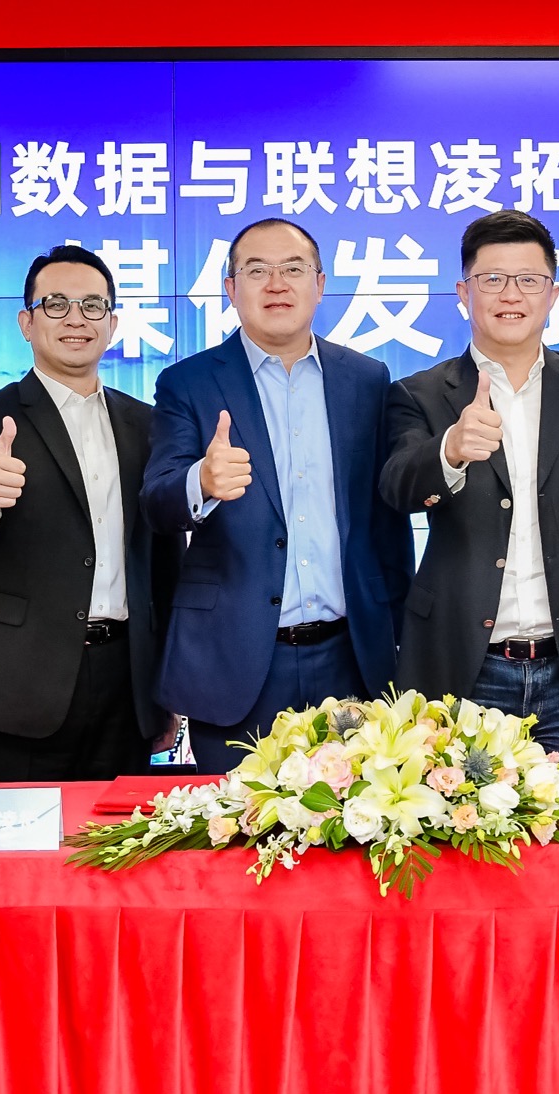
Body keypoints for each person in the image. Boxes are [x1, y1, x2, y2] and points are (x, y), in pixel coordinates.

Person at [138, 219, 413, 771]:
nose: (277, 284)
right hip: (235, 659)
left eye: (293, 269)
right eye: (257, 270)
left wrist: (402, 633)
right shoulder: (187, 383)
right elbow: (156, 503)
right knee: (237, 819)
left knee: (357, 815)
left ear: (320, 283)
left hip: (349, 657)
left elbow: (386, 523)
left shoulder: (366, 379)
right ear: (230, 287)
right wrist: (202, 481)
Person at [382, 209, 559, 766]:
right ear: (464, 293)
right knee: (456, 817)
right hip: (462, 665)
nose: (510, 294)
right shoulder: (419, 392)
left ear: (553, 294)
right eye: (492, 278)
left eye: (529, 279)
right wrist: (449, 449)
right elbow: (396, 488)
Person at [0, 245, 178, 780]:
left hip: (127, 678)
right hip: (22, 678)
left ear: (112, 324)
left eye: (93, 306)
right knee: (25, 832)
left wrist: (167, 687)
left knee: (121, 830)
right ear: (27, 323)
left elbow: (164, 561)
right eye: (56, 304)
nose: (76, 319)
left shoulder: (146, 423)